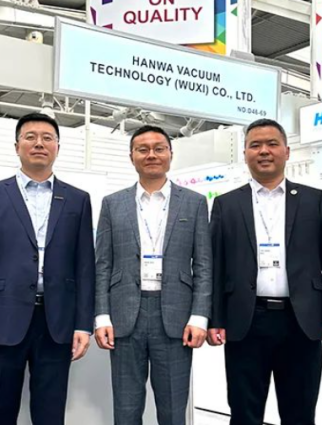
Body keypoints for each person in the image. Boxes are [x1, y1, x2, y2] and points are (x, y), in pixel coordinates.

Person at [208, 119, 322, 425]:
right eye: (255, 145)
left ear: (286, 152)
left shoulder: (314, 200)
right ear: (245, 153)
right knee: (244, 414)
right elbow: (216, 267)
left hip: (301, 321)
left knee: (300, 414)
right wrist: (215, 319)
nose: (264, 151)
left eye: (272, 144)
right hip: (246, 322)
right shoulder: (225, 205)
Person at [0, 113, 95, 425]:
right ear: (17, 146)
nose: (39, 143)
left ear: (57, 147)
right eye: (30, 137)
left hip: (56, 323)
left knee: (50, 415)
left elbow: (85, 266)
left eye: (47, 138)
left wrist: (83, 325)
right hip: (1, 321)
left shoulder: (77, 200)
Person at [95, 125, 212, 425]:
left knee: (173, 411)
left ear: (170, 154)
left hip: (175, 317)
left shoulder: (195, 202)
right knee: (126, 410)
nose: (151, 155)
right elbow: (103, 264)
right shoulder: (112, 203)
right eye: (142, 149)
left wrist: (199, 317)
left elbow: (203, 265)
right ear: (131, 156)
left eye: (159, 148)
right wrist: (102, 317)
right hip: (124, 316)